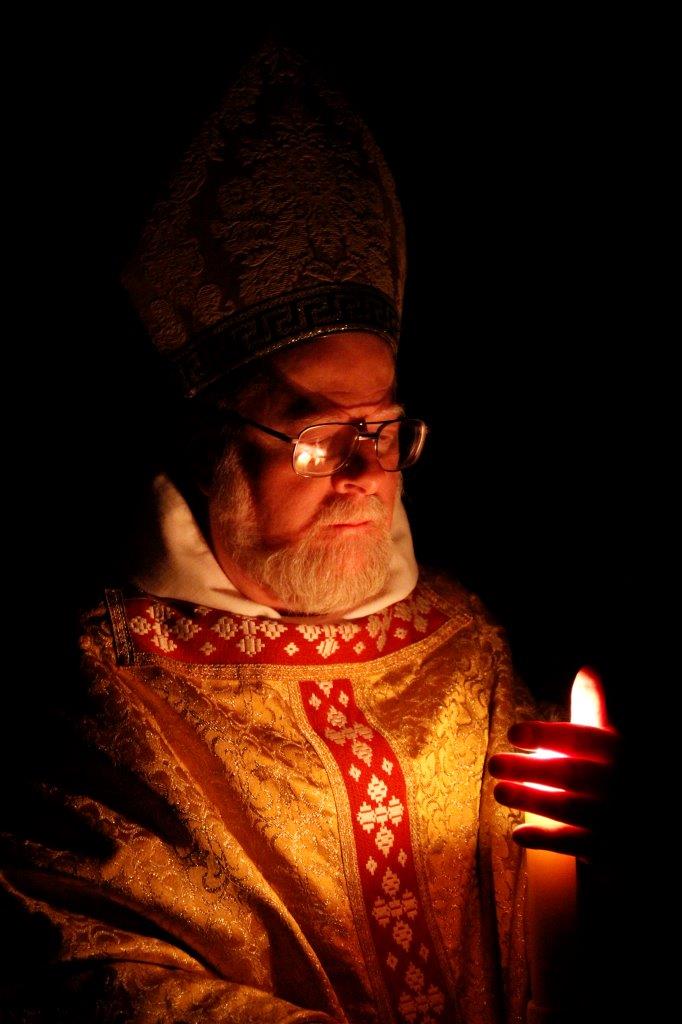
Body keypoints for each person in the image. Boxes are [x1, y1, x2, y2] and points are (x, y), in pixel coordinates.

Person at [0, 39, 619, 1024]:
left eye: (379, 428)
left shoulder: (464, 650)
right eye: (317, 434)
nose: (369, 472)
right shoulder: (107, 688)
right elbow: (87, 968)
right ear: (210, 447)